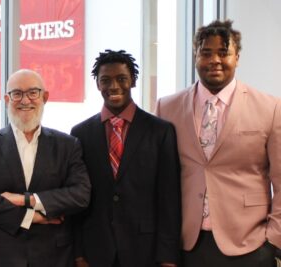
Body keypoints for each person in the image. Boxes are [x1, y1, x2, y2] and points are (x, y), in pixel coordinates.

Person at [155, 20, 281, 267]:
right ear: (195, 55)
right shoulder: (167, 108)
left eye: (223, 53)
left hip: (250, 244)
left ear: (238, 57)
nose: (215, 60)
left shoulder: (270, 108)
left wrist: (274, 240)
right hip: (187, 244)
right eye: (206, 52)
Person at [0, 69, 91, 267]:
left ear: (45, 97)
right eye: (17, 94)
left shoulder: (68, 145)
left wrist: (28, 199)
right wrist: (34, 217)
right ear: (7, 99)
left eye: (33, 92)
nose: (25, 101)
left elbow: (80, 195)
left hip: (53, 256)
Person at [71, 49, 181, 267]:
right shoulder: (80, 133)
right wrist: (78, 252)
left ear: (133, 81)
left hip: (145, 250)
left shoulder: (160, 131)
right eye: (105, 80)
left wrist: (168, 257)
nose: (114, 86)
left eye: (121, 79)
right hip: (95, 251)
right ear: (97, 84)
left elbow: (169, 198)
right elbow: (77, 199)